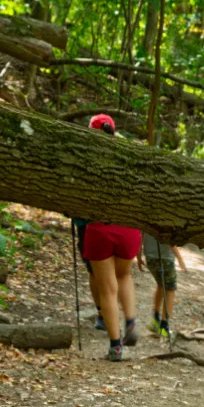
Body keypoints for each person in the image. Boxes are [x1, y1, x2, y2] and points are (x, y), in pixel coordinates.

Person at [83, 114, 141, 360]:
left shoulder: (85, 160)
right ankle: (131, 320)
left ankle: (116, 345)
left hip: (99, 229)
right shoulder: (130, 156)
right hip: (128, 227)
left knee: (107, 290)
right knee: (124, 274)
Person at [141, 232, 188, 339]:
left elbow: (141, 235)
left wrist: (139, 255)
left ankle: (155, 319)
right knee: (170, 289)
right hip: (165, 258)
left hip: (150, 257)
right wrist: (180, 259)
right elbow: (171, 242)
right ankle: (164, 326)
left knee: (160, 285)